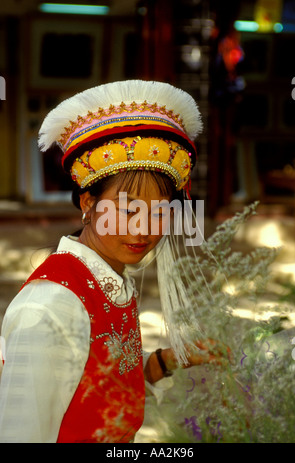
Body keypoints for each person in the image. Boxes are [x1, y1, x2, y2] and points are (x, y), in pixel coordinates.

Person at [0, 80, 227, 443]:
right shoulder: (49, 308)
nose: (144, 230)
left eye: (159, 213)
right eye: (127, 209)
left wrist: (168, 360)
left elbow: (99, 388)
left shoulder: (106, 283)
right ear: (88, 203)